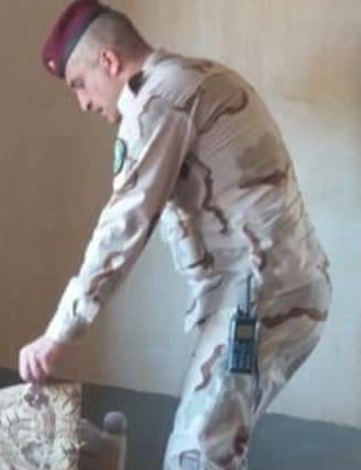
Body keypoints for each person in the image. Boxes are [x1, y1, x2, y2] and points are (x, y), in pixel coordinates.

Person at [18, 1, 332, 468]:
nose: (83, 103)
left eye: (80, 84)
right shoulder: (194, 78)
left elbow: (124, 224)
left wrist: (58, 334)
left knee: (197, 455)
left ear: (109, 61)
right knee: (209, 448)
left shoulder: (160, 100)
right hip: (272, 289)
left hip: (259, 295)